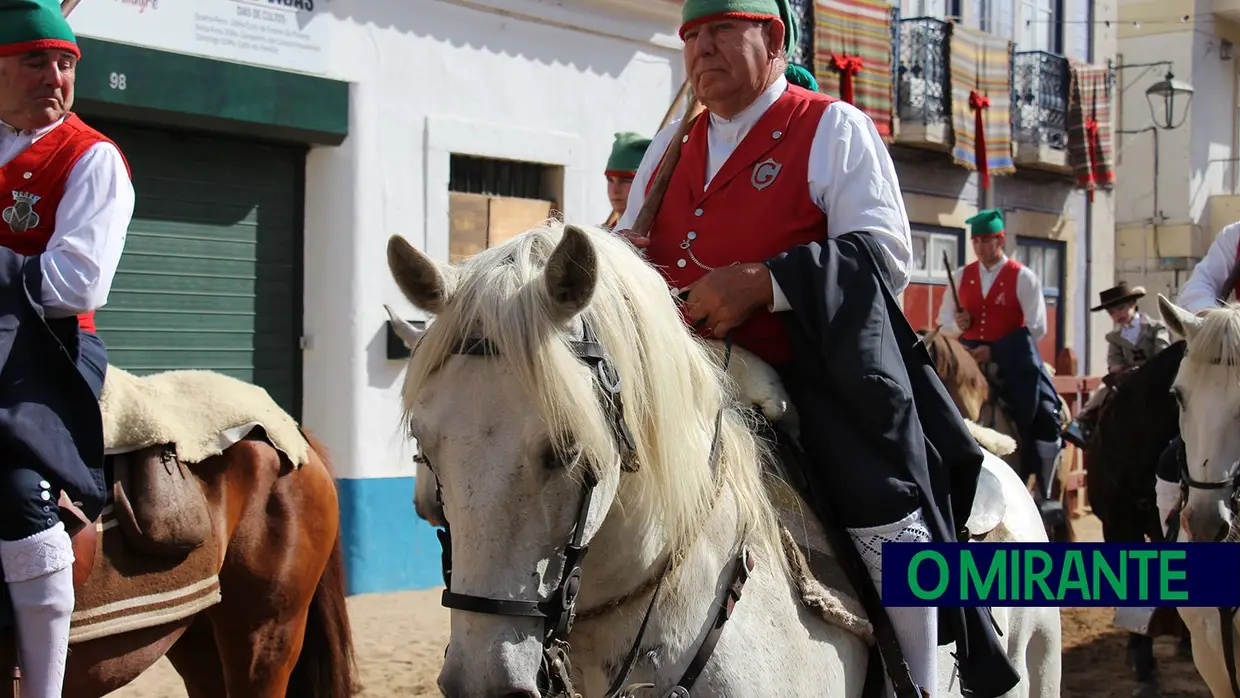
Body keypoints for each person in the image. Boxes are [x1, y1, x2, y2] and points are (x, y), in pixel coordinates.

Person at [614, 1, 1019, 695]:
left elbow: (884, 255)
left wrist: (765, 282)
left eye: (719, 33)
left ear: (772, 36)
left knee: (883, 507)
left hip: (809, 372)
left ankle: (922, 680)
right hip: (679, 373)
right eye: (690, 37)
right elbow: (629, 248)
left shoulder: (831, 127)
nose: (700, 51)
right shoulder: (669, 147)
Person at [0, 1, 134, 695]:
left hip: (42, 357)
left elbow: (77, 283)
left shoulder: (91, 157)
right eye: (35, 60)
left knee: (20, 495)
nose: (54, 75)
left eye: (65, 63)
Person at [934, 209, 1065, 527]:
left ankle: (1046, 492)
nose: (979, 247)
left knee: (1047, 415)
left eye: (985, 240)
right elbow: (942, 321)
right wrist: (958, 323)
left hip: (1013, 362)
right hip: (967, 365)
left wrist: (995, 349)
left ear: (1000, 240)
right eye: (975, 240)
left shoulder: (1022, 277)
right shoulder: (963, 275)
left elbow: (1037, 328)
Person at [1061, 282, 1170, 449]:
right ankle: (1082, 423)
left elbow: (1163, 353)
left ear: (1132, 305)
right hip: (1128, 378)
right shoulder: (1114, 337)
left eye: (1121, 308)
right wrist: (1122, 369)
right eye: (1112, 312)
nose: (1117, 314)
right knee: (1103, 392)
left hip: (1155, 375)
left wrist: (1147, 368)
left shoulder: (1155, 327)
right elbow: (1114, 362)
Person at [603, 132, 651, 229]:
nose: (615, 190)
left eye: (625, 180)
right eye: (610, 179)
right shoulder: (603, 237)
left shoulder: (659, 235)